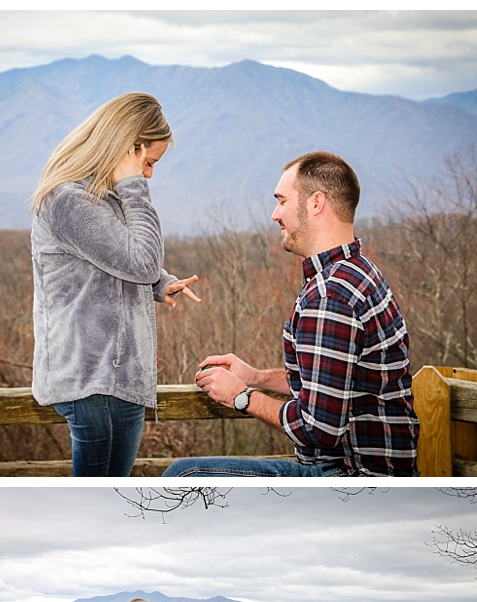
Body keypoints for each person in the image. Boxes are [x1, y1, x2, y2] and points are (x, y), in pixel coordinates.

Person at [162, 151, 419, 478]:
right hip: (372, 472)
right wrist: (254, 376)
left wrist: (241, 397)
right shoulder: (359, 273)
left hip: (351, 477)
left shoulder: (330, 295)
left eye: (282, 201)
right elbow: (328, 383)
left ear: (316, 203)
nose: (274, 214)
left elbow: (320, 428)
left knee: (182, 477)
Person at [30, 92, 200, 477]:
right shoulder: (69, 200)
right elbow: (139, 261)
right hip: (95, 383)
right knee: (99, 506)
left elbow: (120, 261)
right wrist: (134, 187)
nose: (150, 175)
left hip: (116, 381)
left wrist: (160, 282)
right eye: (148, 163)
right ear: (126, 149)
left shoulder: (100, 198)